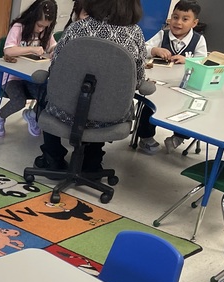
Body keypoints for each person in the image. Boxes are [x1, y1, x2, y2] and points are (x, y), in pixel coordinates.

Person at [36, 0, 148, 174]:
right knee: (104, 99)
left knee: (46, 93)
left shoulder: (76, 28)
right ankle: (92, 162)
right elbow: (138, 81)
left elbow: (56, 69)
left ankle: (53, 158)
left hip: (64, 111)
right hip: (110, 118)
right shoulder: (135, 34)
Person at [135, 0, 206, 154]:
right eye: (175, 17)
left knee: (191, 108)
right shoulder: (163, 34)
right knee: (150, 104)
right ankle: (146, 138)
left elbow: (203, 60)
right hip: (160, 85)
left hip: (185, 87)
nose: (178, 22)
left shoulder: (198, 40)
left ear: (194, 23)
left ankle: (179, 137)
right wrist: (154, 50)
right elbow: (143, 48)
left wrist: (188, 60)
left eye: (185, 19)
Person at [0, 0, 58, 139]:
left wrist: (54, 50)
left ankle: (32, 114)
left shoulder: (45, 30)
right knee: (19, 101)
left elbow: (53, 45)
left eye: (45, 26)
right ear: (32, 18)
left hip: (32, 76)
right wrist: (31, 49)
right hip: (12, 77)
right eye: (39, 25)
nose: (41, 29)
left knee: (48, 97)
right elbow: (8, 50)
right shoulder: (19, 27)